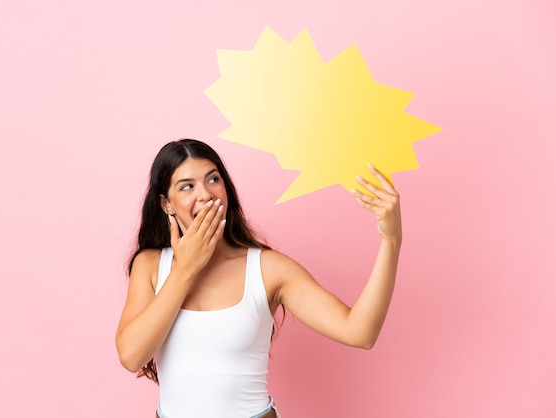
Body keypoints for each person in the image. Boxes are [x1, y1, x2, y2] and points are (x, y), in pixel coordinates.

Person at [116, 139, 402, 418]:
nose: (205, 194)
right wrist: (186, 268)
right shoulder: (151, 265)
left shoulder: (268, 269)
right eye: (187, 186)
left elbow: (360, 332)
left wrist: (391, 241)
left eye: (213, 179)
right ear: (166, 204)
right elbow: (131, 356)